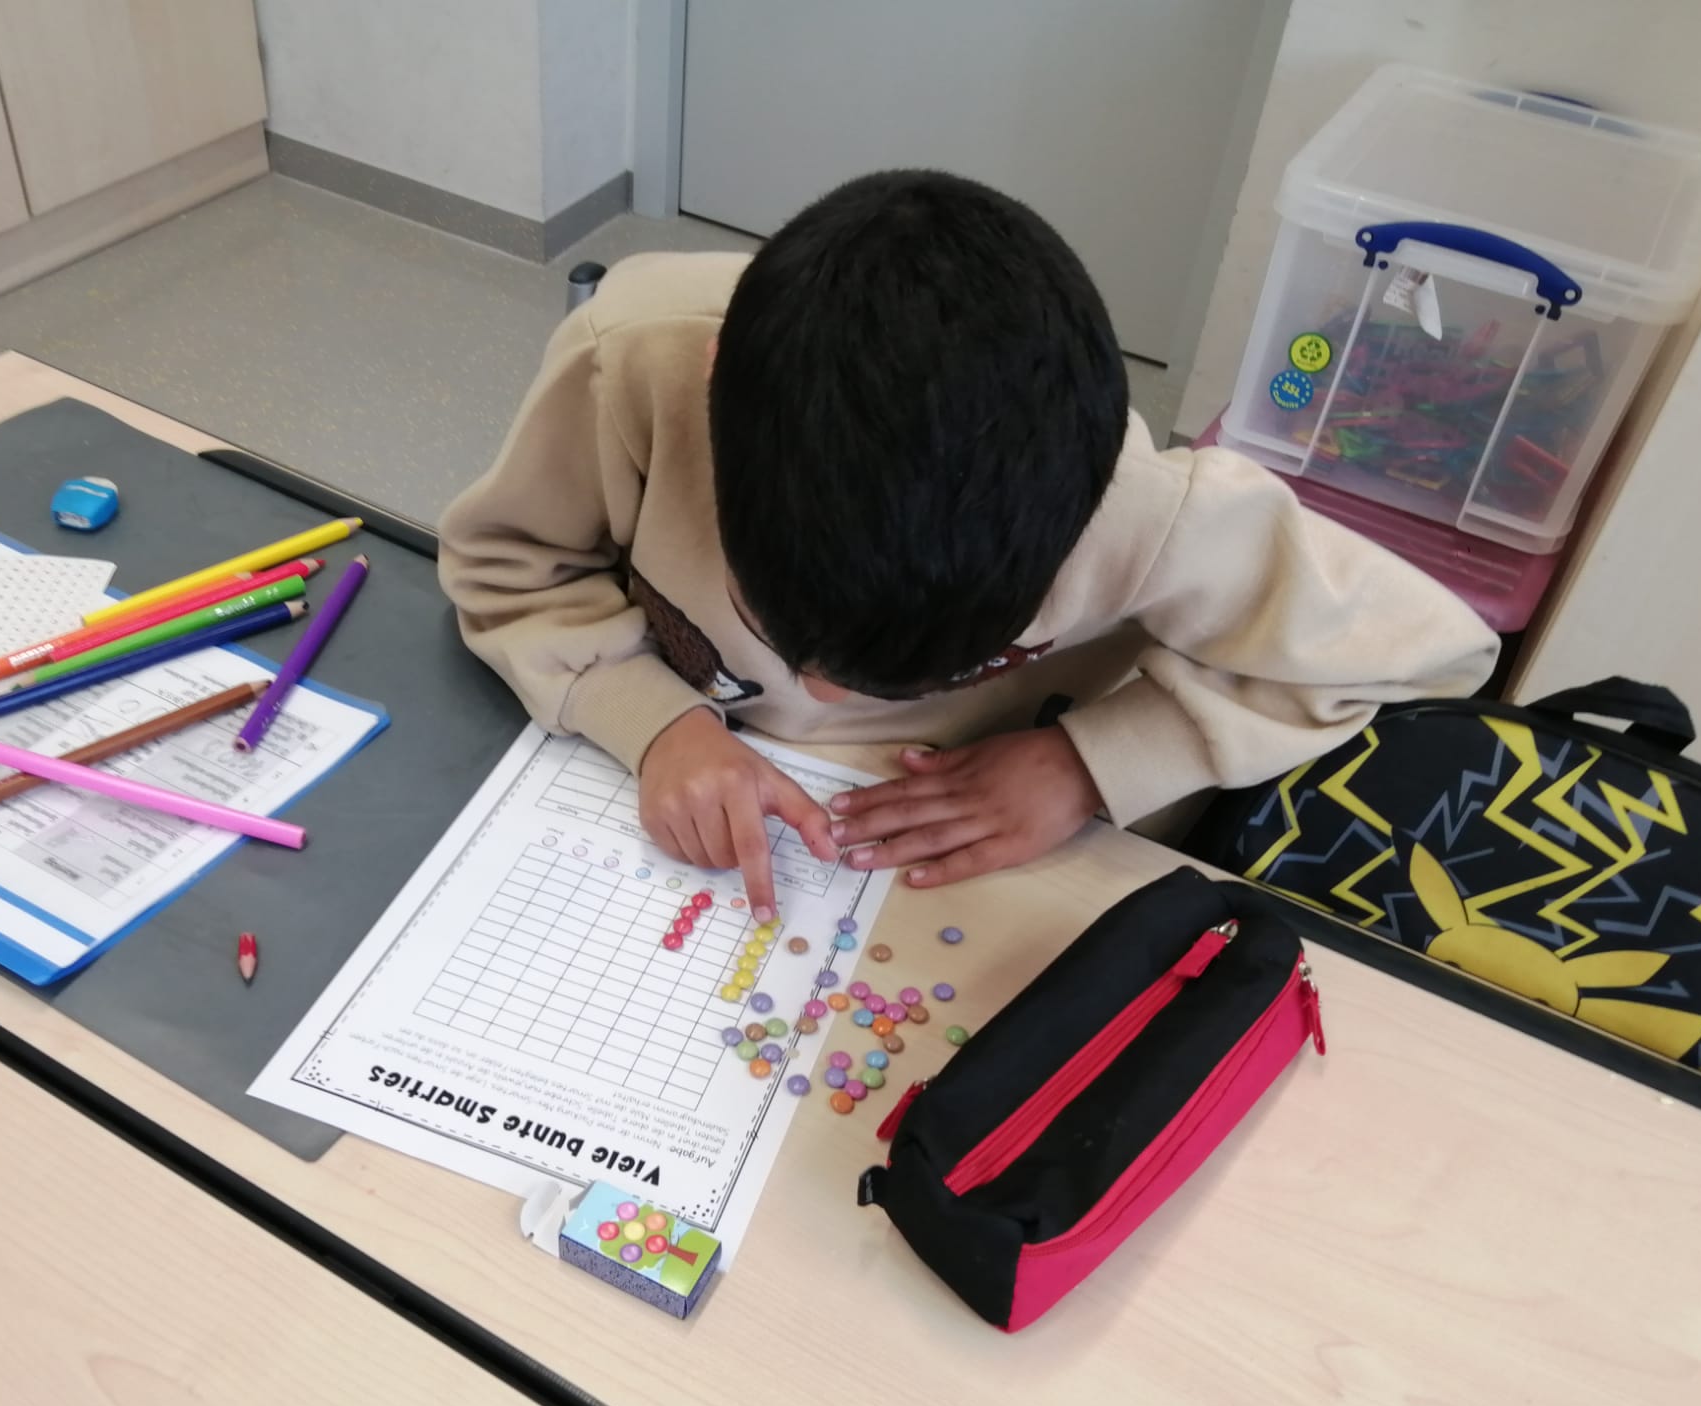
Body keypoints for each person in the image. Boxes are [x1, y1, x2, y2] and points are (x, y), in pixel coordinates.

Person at [439, 170, 1495, 921]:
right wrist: (656, 722)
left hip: (1004, 866)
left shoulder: (1139, 510)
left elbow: (1432, 651)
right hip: (692, 796)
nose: (822, 694)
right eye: (777, 626)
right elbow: (508, 569)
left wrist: (1090, 764)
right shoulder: (631, 361)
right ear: (713, 392)